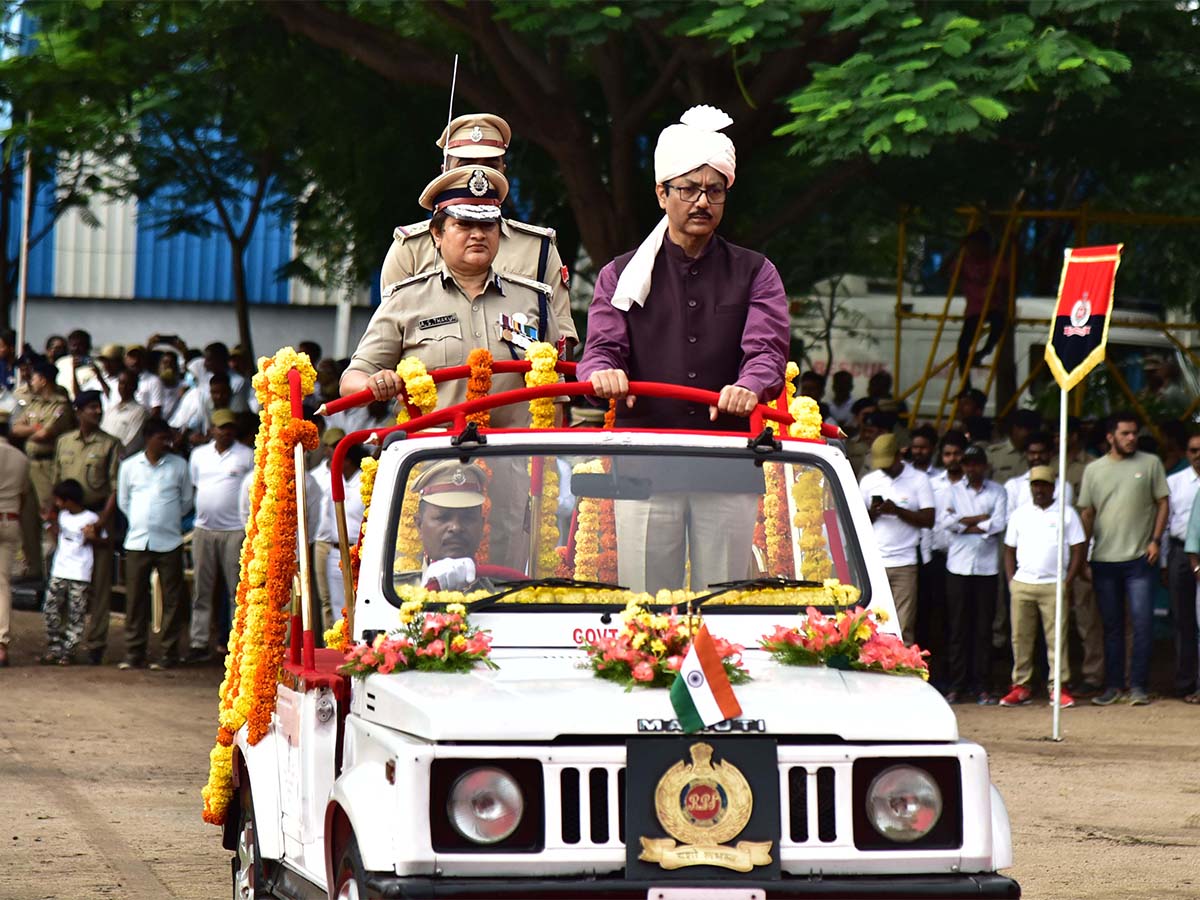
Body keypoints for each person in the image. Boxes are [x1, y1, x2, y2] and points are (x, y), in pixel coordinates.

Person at [577, 105, 788, 591]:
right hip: (646, 467)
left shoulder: (756, 271)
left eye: (714, 190)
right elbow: (601, 349)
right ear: (661, 193)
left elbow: (767, 354)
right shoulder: (619, 274)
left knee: (725, 604)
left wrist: (749, 385)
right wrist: (603, 374)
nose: (701, 202)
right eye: (688, 189)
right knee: (648, 614)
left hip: (728, 463)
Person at [342, 167, 561, 568]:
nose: (479, 234)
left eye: (488, 225)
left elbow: (556, 385)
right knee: (423, 594)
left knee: (506, 585)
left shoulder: (534, 300)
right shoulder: (406, 300)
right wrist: (376, 381)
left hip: (511, 471)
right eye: (464, 224)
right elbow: (352, 379)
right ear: (437, 235)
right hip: (431, 473)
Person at [380, 113, 578, 358]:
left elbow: (561, 343)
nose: (478, 173)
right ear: (444, 170)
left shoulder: (538, 248)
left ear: (504, 170)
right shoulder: (410, 247)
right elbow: (387, 343)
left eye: (490, 164)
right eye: (466, 164)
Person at [1079, 411, 1169, 706]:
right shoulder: (1093, 470)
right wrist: (1081, 557)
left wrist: (1155, 540)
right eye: (1125, 433)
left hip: (1139, 558)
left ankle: (1138, 686)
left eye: (1134, 433)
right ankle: (1114, 686)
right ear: (1110, 437)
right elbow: (1087, 513)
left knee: (1142, 624)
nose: (1132, 438)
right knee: (1112, 626)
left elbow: (1163, 502)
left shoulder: (1151, 463)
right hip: (1103, 559)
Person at [1000, 466, 1086, 708]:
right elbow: (1009, 549)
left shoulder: (1066, 513)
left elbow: (1079, 548)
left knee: (1057, 639)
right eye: (1035, 485)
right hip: (1023, 583)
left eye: (1043, 485)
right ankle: (1021, 685)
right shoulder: (1020, 514)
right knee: (1020, 638)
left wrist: (1067, 581)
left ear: (1053, 487)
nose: (1039, 489)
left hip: (1053, 584)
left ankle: (1057, 686)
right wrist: (1011, 581)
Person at [51, 390, 121, 665]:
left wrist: (100, 523)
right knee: (65, 584)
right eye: (91, 407)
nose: (97, 411)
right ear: (78, 411)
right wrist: (54, 519)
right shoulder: (63, 442)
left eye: (99, 407)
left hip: (97, 517)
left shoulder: (110, 444)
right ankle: (63, 647)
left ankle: (96, 643)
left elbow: (115, 488)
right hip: (68, 520)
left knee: (100, 585)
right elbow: (57, 482)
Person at [117, 418, 193, 671]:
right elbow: (123, 502)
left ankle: (168, 653)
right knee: (135, 598)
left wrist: (165, 521)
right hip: (137, 540)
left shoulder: (179, 465)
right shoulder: (130, 466)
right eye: (161, 438)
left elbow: (186, 501)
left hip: (169, 541)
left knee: (173, 599)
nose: (167, 443)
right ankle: (133, 652)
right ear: (148, 438)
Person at [938, 445, 1007, 704]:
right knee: (957, 628)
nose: (971, 468)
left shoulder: (998, 491)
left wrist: (963, 522)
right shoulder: (951, 491)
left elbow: (999, 523)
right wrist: (980, 519)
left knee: (983, 629)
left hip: (987, 568)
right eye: (968, 464)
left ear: (985, 465)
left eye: (976, 464)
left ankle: (981, 686)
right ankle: (957, 685)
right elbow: (946, 523)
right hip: (958, 567)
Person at [187, 409, 254, 662]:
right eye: (220, 427)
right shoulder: (199, 455)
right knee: (201, 589)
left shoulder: (246, 455)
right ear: (211, 430)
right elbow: (194, 487)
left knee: (236, 589)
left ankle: (236, 640)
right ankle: (199, 641)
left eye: (229, 427)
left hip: (234, 530)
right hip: (204, 529)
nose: (225, 431)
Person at [860, 433, 934, 644]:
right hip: (874, 562)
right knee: (871, 623)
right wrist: (874, 513)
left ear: (899, 455)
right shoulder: (869, 481)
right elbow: (857, 522)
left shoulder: (919, 479)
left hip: (905, 562)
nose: (883, 467)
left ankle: (902, 671)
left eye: (888, 462)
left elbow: (929, 519)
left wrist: (898, 511)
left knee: (903, 625)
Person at [11, 357, 76, 574]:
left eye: (36, 377)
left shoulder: (61, 405)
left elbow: (46, 433)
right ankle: (34, 568)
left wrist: (32, 428)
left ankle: (53, 570)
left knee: (48, 516)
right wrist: (34, 428)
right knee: (27, 519)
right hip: (29, 464)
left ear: (45, 379)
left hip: (48, 466)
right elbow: (16, 429)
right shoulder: (34, 403)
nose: (32, 380)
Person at [40, 479, 100, 665]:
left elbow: (102, 541)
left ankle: (69, 651)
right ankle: (55, 647)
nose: (58, 504)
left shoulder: (91, 518)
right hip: (60, 568)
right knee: (50, 607)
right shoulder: (62, 516)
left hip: (80, 571)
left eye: (60, 500)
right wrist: (48, 524)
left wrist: (92, 537)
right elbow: (58, 536)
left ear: (70, 500)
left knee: (76, 612)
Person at [1165, 431, 1200, 699]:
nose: (1198, 455)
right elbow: (1165, 525)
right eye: (1193, 450)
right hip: (1179, 553)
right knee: (1183, 619)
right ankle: (1186, 681)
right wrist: (1165, 563)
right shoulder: (1174, 482)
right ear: (1186, 453)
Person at [955, 229, 1007, 374]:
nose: (973, 250)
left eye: (976, 246)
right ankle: (965, 387)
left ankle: (985, 351)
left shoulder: (994, 263)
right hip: (974, 309)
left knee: (999, 322)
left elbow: (1005, 280)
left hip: (992, 306)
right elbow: (943, 272)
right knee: (963, 347)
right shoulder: (964, 263)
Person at [0, 426, 29, 667]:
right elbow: (24, 496)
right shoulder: (21, 458)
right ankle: (1, 644)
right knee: (2, 584)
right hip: (10, 519)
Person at [1003, 431, 1074, 512]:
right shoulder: (1013, 486)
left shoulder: (1063, 486)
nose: (1037, 457)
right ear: (1026, 454)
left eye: (1041, 453)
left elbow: (1062, 515)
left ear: (1050, 454)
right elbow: (1009, 519)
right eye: (1032, 453)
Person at [101, 370, 149, 457]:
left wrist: (113, 455)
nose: (124, 387)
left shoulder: (140, 412)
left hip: (121, 459)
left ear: (135, 387)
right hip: (102, 455)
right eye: (121, 383)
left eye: (128, 384)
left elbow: (132, 441)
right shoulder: (111, 409)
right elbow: (102, 432)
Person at [988, 408, 1039, 486]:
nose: (1031, 434)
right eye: (1028, 429)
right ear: (1015, 429)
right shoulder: (993, 454)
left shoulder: (1038, 454)